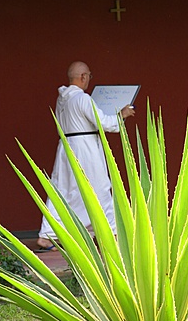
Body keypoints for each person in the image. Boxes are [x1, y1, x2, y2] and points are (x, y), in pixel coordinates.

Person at [36, 61, 135, 251]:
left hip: (66, 147)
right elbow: (104, 123)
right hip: (85, 149)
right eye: (89, 75)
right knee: (100, 188)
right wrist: (122, 114)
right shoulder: (83, 99)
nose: (89, 79)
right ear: (83, 77)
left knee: (62, 190)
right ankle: (111, 234)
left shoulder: (62, 99)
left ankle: (47, 235)